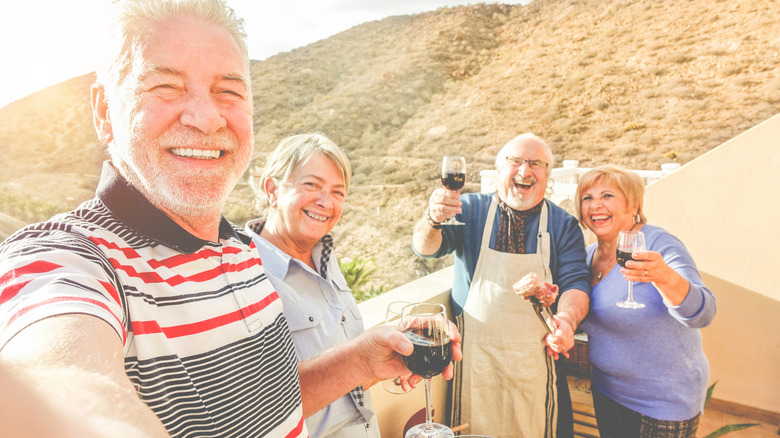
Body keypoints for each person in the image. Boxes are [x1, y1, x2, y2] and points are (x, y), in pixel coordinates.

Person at [0, 1, 461, 437]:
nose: (205, 117)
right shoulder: (62, 260)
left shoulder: (239, 250)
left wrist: (361, 360)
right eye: (166, 86)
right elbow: (64, 381)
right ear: (104, 111)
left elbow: (269, 405)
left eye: (229, 91)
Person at [412, 133, 591, 438]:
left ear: (547, 175)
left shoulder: (563, 225)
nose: (525, 170)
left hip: (535, 361)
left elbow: (576, 285)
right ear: (498, 170)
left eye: (536, 164)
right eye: (516, 162)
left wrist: (566, 321)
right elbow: (426, 248)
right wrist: (432, 218)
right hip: (475, 361)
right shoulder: (469, 210)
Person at [244, 133, 380, 437]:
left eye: (338, 192)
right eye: (312, 185)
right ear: (272, 190)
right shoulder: (245, 275)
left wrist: (390, 355)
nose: (325, 202)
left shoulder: (325, 257)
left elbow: (341, 377)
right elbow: (258, 407)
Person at [575, 164, 716, 438]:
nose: (596, 206)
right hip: (607, 390)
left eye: (608, 196)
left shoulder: (658, 244)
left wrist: (664, 277)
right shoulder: (587, 255)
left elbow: (704, 313)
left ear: (634, 204)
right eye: (587, 198)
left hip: (663, 400)